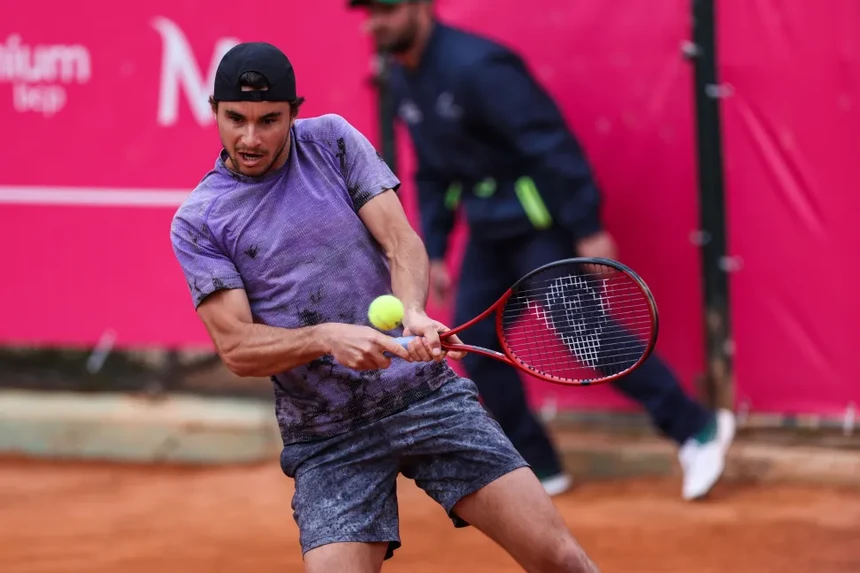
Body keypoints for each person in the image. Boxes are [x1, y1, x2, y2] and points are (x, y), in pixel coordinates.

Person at [169, 41, 601, 572]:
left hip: (424, 397)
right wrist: (327, 337)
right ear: (214, 111)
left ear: (294, 113)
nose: (250, 137)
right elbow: (236, 347)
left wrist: (414, 311)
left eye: (269, 120)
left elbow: (400, 241)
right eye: (235, 118)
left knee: (561, 560)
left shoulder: (332, 141)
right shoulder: (201, 221)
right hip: (327, 433)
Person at [348, 0, 735, 501]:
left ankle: (697, 428)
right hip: (489, 234)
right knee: (471, 347)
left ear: (422, 7)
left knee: (586, 335)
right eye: (368, 12)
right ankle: (539, 463)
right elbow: (433, 171)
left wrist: (587, 227)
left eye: (387, 9)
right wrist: (438, 249)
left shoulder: (481, 68)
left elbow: (551, 145)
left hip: (540, 226)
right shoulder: (403, 77)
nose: (375, 22)